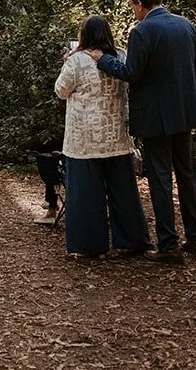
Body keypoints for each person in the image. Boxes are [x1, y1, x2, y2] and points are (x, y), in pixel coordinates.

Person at [89, 0, 196, 262]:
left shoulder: (142, 31)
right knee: (188, 175)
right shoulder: (186, 25)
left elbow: (131, 72)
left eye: (133, 7)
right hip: (185, 112)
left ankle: (168, 244)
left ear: (140, 4)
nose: (133, 12)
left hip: (155, 117)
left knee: (160, 178)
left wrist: (102, 58)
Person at [55, 16, 150, 257]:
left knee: (86, 194)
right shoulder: (120, 56)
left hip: (84, 138)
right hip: (116, 133)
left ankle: (88, 245)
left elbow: (60, 90)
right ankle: (131, 240)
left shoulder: (76, 60)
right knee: (123, 192)